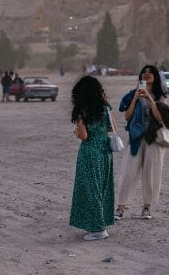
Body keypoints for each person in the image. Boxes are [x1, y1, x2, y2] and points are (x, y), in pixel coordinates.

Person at [115, 65, 169, 221]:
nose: (147, 75)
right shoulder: (132, 94)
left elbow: (161, 119)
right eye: (144, 73)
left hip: (153, 139)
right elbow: (127, 117)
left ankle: (146, 207)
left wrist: (149, 99)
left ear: (155, 76)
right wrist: (135, 98)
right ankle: (120, 207)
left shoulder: (161, 96)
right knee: (128, 172)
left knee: (151, 173)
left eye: (150, 73)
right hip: (135, 138)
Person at [69, 75, 114, 241]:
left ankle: (98, 229)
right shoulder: (105, 108)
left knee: (91, 190)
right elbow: (110, 128)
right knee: (102, 189)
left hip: (90, 153)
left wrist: (76, 131)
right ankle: (101, 223)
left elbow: (84, 135)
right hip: (105, 152)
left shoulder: (83, 110)